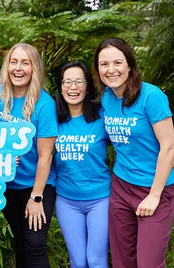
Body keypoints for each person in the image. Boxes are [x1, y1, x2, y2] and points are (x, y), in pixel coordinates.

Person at [93, 37, 174, 268]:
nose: (111, 70)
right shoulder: (107, 98)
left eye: (117, 63)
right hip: (121, 187)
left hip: (155, 188)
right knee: (122, 260)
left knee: (149, 263)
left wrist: (155, 195)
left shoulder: (151, 96)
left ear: (129, 64)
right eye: (104, 64)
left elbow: (169, 146)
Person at [0, 43, 58, 268]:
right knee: (20, 241)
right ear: (7, 65)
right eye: (14, 62)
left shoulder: (44, 104)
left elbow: (45, 156)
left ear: (34, 68)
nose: (18, 68)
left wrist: (36, 197)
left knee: (35, 244)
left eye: (25, 63)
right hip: (8, 184)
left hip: (36, 185)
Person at [53, 61, 110, 268]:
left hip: (100, 199)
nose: (73, 87)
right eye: (67, 82)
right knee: (77, 261)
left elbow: (128, 142)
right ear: (61, 87)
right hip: (67, 200)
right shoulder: (53, 119)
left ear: (88, 87)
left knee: (96, 260)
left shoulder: (102, 118)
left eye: (79, 82)